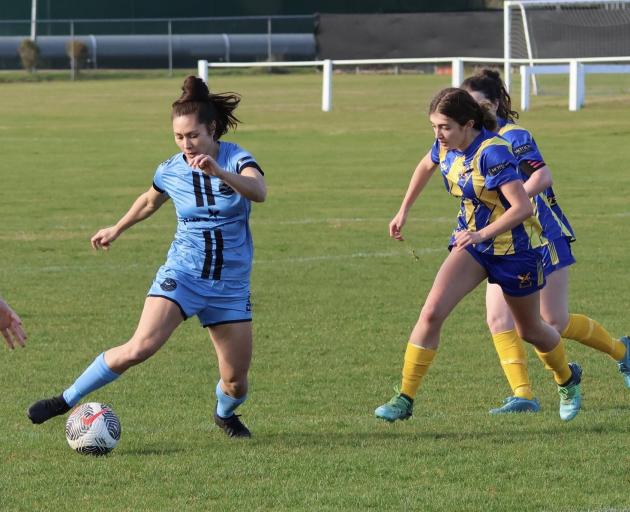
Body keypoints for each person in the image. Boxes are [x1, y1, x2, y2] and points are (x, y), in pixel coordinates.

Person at [27, 76, 266, 438]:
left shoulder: (237, 158)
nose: (186, 144)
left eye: (193, 136)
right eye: (179, 137)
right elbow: (150, 199)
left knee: (236, 383)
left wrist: (219, 171)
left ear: (212, 128)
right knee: (141, 347)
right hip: (182, 273)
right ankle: (65, 399)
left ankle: (224, 415)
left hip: (230, 285)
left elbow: (259, 191)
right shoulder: (170, 169)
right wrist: (117, 228)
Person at [375, 87, 583, 423]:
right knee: (430, 313)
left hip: (517, 250)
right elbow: (426, 165)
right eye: (433, 127)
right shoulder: (448, 147)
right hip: (474, 247)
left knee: (530, 330)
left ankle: (567, 380)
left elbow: (522, 207)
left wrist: (481, 233)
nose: (437, 135)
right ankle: (405, 397)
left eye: (444, 127)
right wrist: (403, 210)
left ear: (468, 124)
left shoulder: (493, 152)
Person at [458, 69, 630, 413]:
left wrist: (513, 198)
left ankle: (623, 352)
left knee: (553, 321)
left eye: (475, 105)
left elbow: (543, 175)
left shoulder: (514, 135)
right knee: (498, 319)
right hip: (504, 238)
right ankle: (523, 395)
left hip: (540, 234)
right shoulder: (472, 142)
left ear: (492, 104)